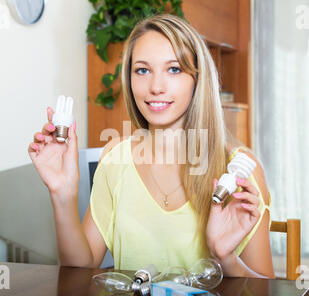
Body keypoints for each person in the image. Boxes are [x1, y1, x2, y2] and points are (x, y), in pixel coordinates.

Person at [28, 14, 275, 278]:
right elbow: (81, 267)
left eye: (174, 69)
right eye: (143, 70)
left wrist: (225, 258)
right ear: (129, 78)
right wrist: (62, 195)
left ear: (197, 80)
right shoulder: (114, 159)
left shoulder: (238, 171)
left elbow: (267, 293)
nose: (156, 87)